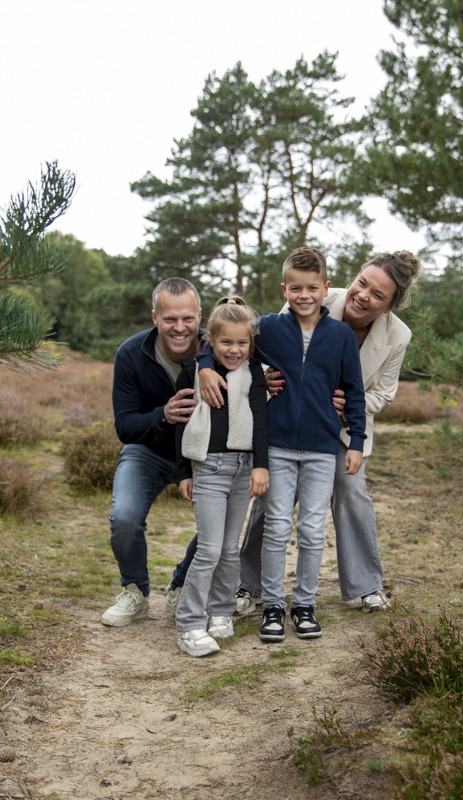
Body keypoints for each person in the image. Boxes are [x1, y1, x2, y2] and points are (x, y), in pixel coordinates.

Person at [173, 251, 422, 615]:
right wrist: (212, 364)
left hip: (342, 427)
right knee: (270, 499)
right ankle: (250, 583)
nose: (363, 295)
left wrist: (349, 402)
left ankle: (365, 585)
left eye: (377, 294)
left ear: (389, 306)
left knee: (351, 492)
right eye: (362, 283)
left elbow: (384, 391)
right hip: (288, 423)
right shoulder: (314, 297)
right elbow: (243, 340)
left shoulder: (398, 335)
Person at [196, 247, 366, 643]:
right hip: (277, 446)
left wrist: (355, 440)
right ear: (283, 288)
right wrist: (205, 364)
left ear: (326, 288)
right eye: (295, 288)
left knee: (309, 529)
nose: (304, 295)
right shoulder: (268, 328)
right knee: (274, 527)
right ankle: (273, 604)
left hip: (323, 447)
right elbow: (222, 340)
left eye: (312, 287)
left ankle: (304, 603)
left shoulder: (340, 335)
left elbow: (354, 391)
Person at [101, 277, 203, 627]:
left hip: (203, 457)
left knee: (218, 526)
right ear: (154, 316)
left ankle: (181, 586)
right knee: (124, 518)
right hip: (148, 451)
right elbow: (125, 426)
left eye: (188, 318)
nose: (179, 327)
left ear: (200, 315)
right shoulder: (131, 353)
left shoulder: (218, 350)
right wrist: (164, 415)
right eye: (169, 319)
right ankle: (135, 591)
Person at [173, 297, 269, 657]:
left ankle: (221, 610)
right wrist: (184, 471)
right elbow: (180, 423)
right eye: (226, 342)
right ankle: (189, 624)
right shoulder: (195, 372)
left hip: (243, 468)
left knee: (230, 548)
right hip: (208, 468)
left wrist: (261, 465)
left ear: (251, 343)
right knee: (210, 548)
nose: (235, 350)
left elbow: (260, 419)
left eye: (242, 343)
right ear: (210, 339)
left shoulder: (254, 373)